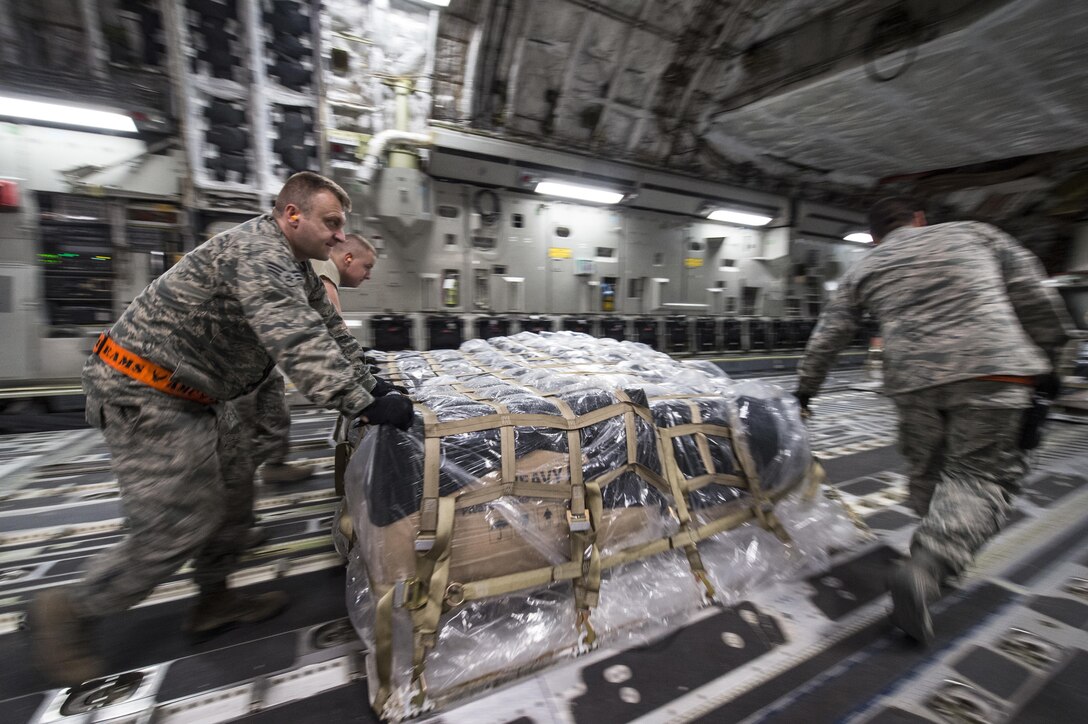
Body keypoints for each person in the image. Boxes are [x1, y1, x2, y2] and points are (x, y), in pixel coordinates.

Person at [29, 172, 415, 687]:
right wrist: (361, 403)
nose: (339, 237)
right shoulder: (259, 252)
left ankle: (214, 600)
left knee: (235, 496)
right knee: (180, 521)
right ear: (291, 214)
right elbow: (295, 340)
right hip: (144, 389)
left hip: (204, 394)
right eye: (331, 223)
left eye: (342, 226)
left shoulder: (298, 268)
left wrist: (373, 385)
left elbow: (327, 331)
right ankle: (71, 610)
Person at [795, 196, 1070, 646]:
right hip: (994, 372)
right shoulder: (975, 234)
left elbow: (829, 335)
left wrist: (805, 391)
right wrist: (1055, 360)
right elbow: (1035, 296)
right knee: (980, 476)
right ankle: (930, 566)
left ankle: (934, 554)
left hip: (913, 382)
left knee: (928, 470)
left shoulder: (866, 265)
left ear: (874, 237)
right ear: (919, 220)